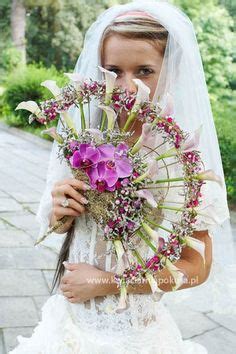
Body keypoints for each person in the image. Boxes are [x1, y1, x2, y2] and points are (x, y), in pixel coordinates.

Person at [9, 1, 232, 353]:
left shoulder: (184, 168)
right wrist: (60, 211)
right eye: (113, 70)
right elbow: (55, 227)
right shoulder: (81, 141)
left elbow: (196, 268)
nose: (127, 86)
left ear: (170, 71)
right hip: (66, 328)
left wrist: (107, 281)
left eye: (144, 71)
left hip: (136, 338)